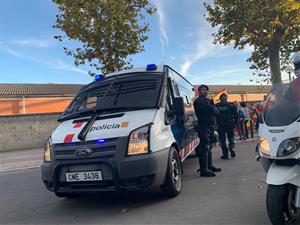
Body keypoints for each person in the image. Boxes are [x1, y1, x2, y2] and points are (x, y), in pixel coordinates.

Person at [194, 84, 221, 177]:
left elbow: (217, 112)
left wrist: (212, 107)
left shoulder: (207, 101)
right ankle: (203, 170)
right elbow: (211, 110)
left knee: (209, 147)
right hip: (203, 127)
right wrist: (212, 107)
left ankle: (209, 166)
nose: (205, 91)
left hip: (210, 127)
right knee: (204, 147)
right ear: (199, 91)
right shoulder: (199, 101)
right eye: (203, 90)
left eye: (206, 90)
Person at [216, 93, 237, 159]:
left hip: (221, 125)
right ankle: (232, 148)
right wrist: (235, 123)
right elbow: (236, 115)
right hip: (229, 123)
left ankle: (225, 154)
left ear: (220, 98)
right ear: (226, 98)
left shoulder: (217, 105)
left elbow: (214, 115)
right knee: (231, 137)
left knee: (222, 139)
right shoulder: (231, 105)